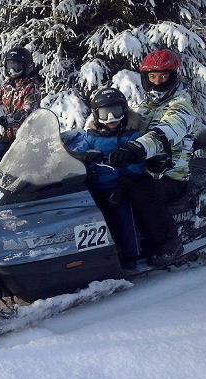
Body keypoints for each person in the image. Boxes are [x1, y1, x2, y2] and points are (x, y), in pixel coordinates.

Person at [108, 49, 198, 266]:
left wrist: (135, 148)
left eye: (163, 76)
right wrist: (93, 134)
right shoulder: (148, 105)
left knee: (141, 191)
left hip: (171, 174)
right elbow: (125, 123)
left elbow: (165, 132)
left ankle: (170, 243)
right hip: (147, 169)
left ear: (173, 77)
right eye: (152, 76)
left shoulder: (181, 106)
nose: (157, 82)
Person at [66, 87, 145, 269]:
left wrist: (124, 183)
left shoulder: (131, 135)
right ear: (96, 115)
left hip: (119, 185)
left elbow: (138, 162)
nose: (111, 119)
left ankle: (130, 253)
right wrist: (81, 157)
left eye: (115, 112)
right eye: (105, 114)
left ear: (124, 111)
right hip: (93, 184)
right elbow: (77, 151)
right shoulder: (92, 136)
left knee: (122, 213)